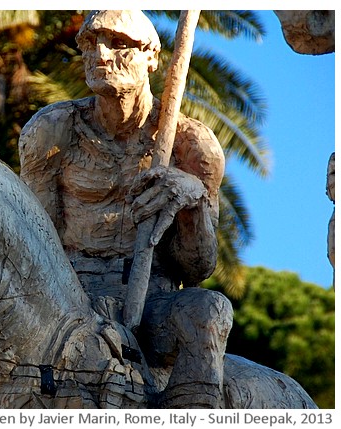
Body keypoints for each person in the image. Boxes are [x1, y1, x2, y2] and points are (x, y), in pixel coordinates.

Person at [18, 10, 232, 408]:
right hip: (69, 300)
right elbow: (36, 241)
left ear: (152, 58)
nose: (100, 54)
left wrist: (193, 203)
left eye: (118, 44)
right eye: (89, 44)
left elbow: (199, 268)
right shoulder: (53, 131)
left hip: (155, 300)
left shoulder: (191, 146)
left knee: (210, 310)